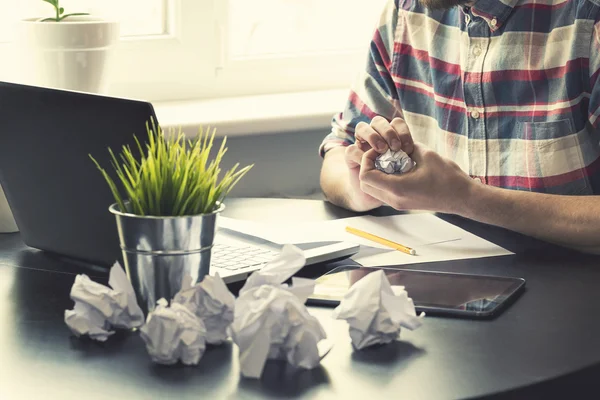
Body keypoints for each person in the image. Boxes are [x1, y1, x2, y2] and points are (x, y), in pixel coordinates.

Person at [319, 0, 600, 253]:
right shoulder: (404, 12)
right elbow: (339, 150)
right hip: (441, 282)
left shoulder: (588, 18)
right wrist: (364, 185)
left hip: (572, 293)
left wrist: (468, 199)